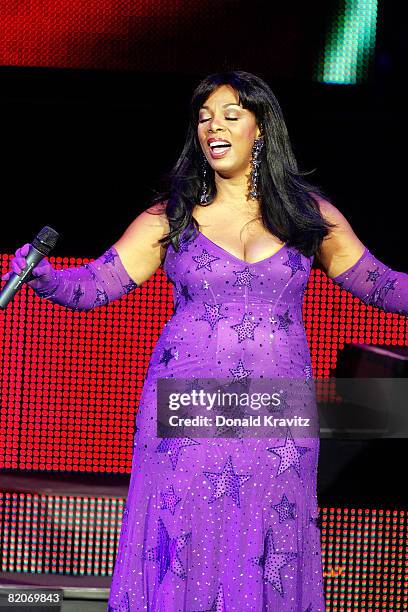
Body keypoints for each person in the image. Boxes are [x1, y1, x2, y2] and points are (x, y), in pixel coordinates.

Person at [3, 71, 408, 611]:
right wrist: (45, 276)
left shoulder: (307, 216)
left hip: (275, 412)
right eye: (203, 118)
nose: (212, 127)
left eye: (229, 116)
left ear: (260, 129)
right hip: (188, 407)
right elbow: (97, 284)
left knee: (271, 535)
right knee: (185, 529)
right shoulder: (171, 215)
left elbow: (382, 284)